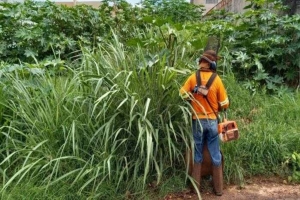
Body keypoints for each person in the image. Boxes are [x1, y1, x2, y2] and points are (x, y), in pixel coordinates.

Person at [179, 50, 229, 196]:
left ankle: (196, 188)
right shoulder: (217, 79)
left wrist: (193, 93)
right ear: (211, 63)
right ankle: (218, 189)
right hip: (212, 122)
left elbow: (181, 94)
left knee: (198, 153)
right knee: (215, 153)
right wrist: (219, 105)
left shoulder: (193, 78)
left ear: (201, 63)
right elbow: (225, 103)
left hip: (197, 122)